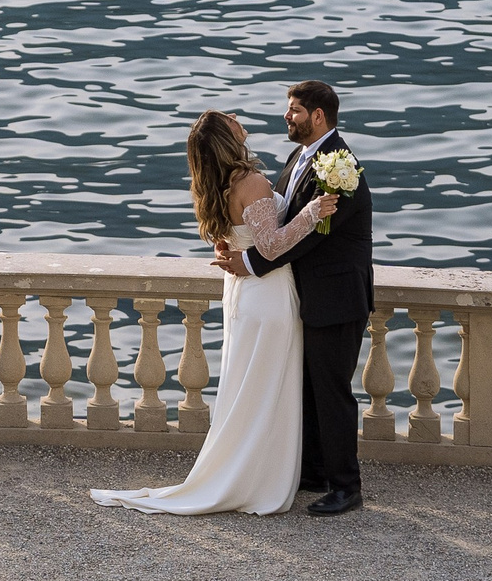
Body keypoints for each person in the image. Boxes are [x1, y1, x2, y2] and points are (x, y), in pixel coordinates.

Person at [90, 109, 336, 515]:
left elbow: (234, 239)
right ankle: (257, 480)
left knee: (249, 388)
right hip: (267, 296)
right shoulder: (250, 181)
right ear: (227, 135)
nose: (240, 117)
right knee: (264, 388)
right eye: (231, 118)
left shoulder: (217, 185)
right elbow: (271, 247)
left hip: (244, 295)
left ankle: (252, 471)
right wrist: (311, 213)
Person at [222, 79, 372, 515]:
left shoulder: (341, 166)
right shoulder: (300, 157)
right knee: (308, 387)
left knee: (332, 391)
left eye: (294, 111)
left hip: (337, 297)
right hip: (308, 296)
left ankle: (347, 486)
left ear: (318, 116)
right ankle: (314, 470)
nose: (286, 117)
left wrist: (251, 265)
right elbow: (284, 216)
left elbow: (311, 238)